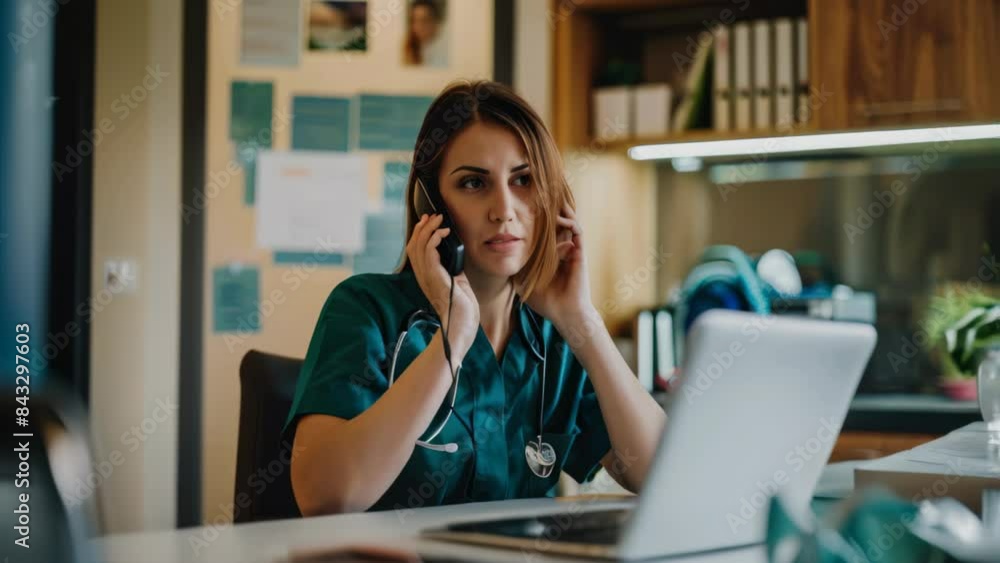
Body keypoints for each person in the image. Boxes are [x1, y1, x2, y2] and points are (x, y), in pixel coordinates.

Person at [285, 80, 666, 516]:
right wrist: (452, 339)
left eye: (523, 180)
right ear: (431, 204)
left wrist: (582, 319)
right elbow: (326, 497)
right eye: (473, 183)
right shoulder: (365, 310)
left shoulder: (556, 338)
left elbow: (664, 476)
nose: (504, 208)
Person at [403, 0, 447, 67]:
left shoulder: (443, 51)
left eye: (424, 20)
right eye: (414, 21)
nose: (418, 27)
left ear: (436, 22)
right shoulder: (410, 47)